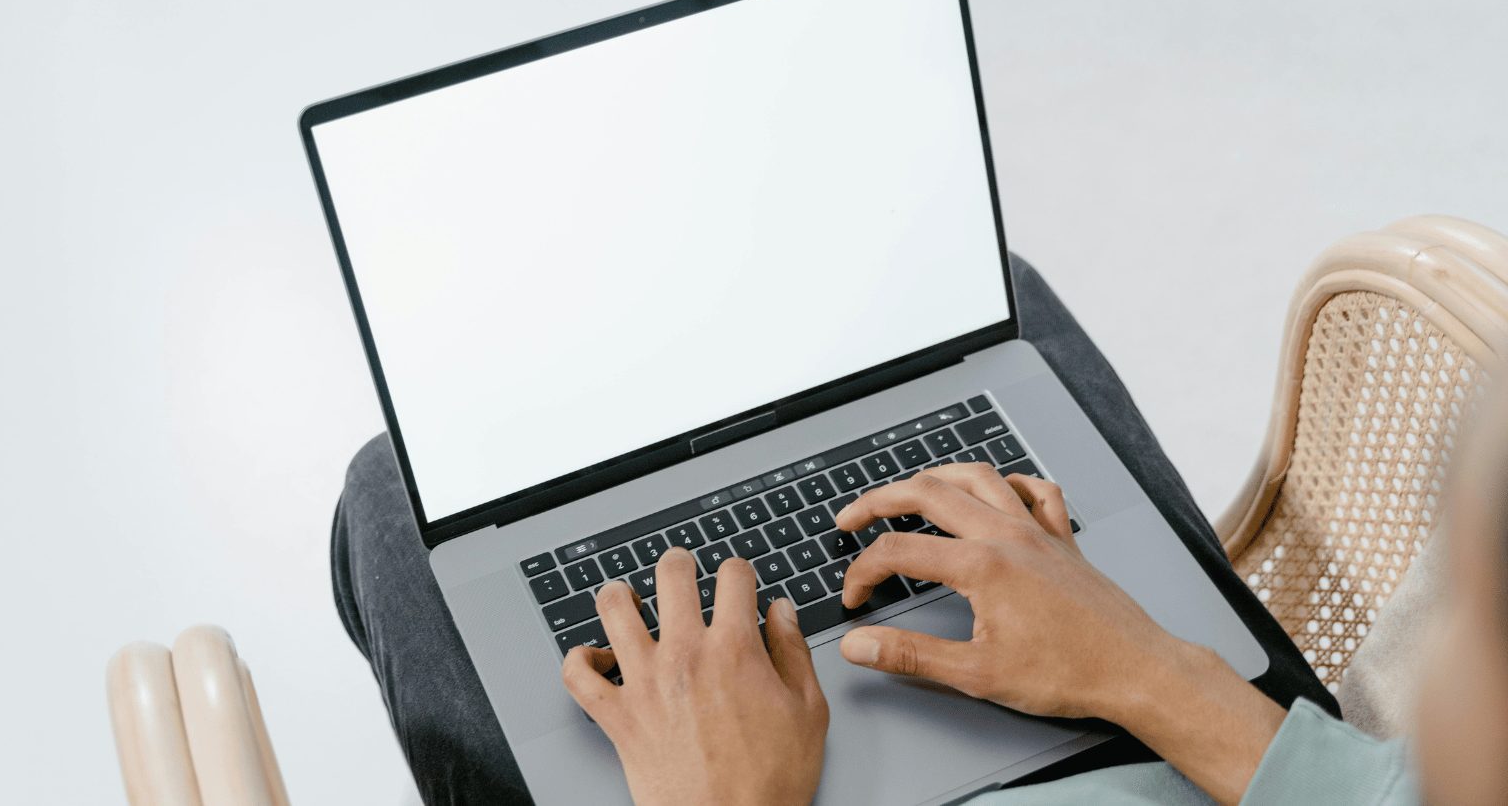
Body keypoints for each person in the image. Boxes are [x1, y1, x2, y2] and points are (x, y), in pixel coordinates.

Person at [331, 258, 1502, 804]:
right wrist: (1148, 672)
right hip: (1210, 764)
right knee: (982, 307)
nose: (1428, 637)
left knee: (387, 497)